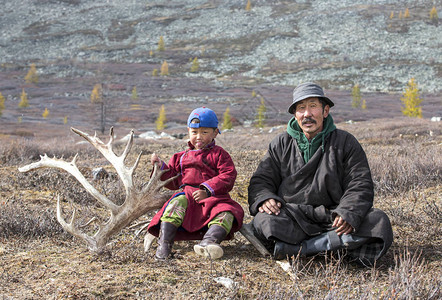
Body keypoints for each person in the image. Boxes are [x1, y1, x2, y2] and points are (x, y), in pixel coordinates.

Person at [247, 82, 393, 266]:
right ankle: (332, 246)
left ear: (325, 111)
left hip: (333, 217)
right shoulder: (281, 143)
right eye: (301, 108)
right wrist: (264, 198)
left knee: (377, 222)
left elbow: (360, 183)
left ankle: (297, 249)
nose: (307, 114)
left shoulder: (346, 142)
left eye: (313, 106)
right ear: (295, 115)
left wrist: (348, 211)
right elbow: (261, 179)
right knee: (264, 220)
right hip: (293, 215)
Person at [147, 107, 244, 261]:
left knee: (227, 213)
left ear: (215, 133)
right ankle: (164, 245)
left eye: (204, 132)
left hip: (215, 199)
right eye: (194, 132)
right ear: (188, 131)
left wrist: (207, 189)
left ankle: (209, 243)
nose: (199, 137)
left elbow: (228, 175)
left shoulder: (220, 155)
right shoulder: (180, 157)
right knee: (175, 203)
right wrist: (160, 167)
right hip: (188, 197)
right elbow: (173, 180)